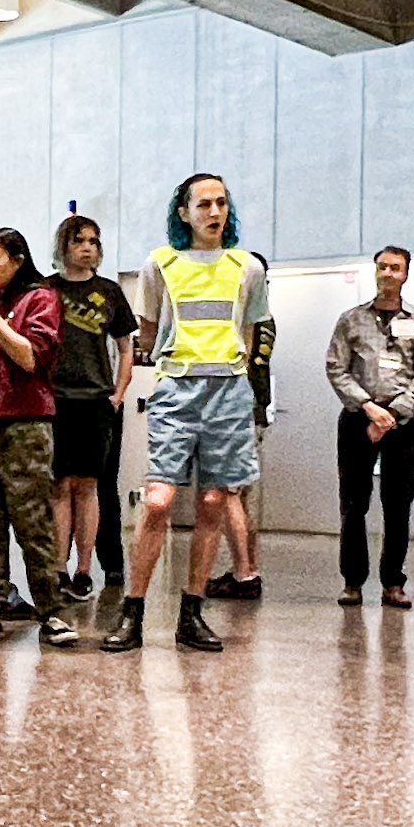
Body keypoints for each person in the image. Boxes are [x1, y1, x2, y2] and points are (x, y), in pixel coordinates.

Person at [102, 173, 263, 655]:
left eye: (221, 204)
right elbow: (147, 333)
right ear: (184, 212)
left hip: (229, 390)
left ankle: (191, 612)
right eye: (204, 204)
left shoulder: (247, 267)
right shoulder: (160, 264)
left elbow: (250, 334)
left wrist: (231, 373)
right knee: (158, 501)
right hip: (178, 387)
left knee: (214, 502)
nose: (215, 213)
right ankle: (132, 610)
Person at [0, 228, 72, 646]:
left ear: (18, 259)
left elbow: (29, 357)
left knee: (32, 521)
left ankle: (51, 611)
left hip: (25, 424)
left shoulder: (38, 299)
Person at [327, 247, 414, 608]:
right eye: (382, 267)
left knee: (398, 505)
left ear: (405, 274)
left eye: (396, 268)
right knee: (353, 503)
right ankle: (352, 582)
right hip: (359, 418)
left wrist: (392, 414)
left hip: (402, 423)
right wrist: (369, 408)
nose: (388, 273)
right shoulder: (351, 320)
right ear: (374, 272)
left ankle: (393, 582)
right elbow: (336, 367)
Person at [48, 215, 133, 607]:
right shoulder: (48, 290)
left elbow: (126, 346)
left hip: (96, 402)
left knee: (89, 486)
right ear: (64, 245)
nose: (87, 248)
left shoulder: (110, 292)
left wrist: (118, 393)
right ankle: (57, 568)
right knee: (59, 486)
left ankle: (85, 570)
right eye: (79, 240)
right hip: (56, 401)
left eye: (94, 241)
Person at [207, 251, 281, 602]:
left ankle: (245, 573)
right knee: (239, 496)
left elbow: (242, 360)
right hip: (248, 410)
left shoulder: (254, 319)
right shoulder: (254, 315)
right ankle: (248, 567)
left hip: (238, 410)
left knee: (230, 493)